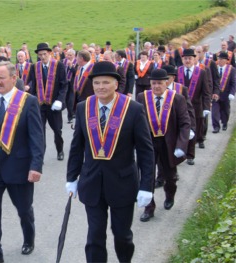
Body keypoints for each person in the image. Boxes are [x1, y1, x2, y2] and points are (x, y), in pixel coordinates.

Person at [66, 61, 154, 262]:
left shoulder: (133, 109)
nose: (100, 87)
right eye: (96, 83)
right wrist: (71, 177)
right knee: (95, 235)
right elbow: (77, 146)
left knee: (122, 235)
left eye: (106, 82)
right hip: (91, 183)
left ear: (116, 84)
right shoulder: (83, 108)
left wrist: (146, 186)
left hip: (122, 184)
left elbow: (145, 151)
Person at [0, 61, 44, 263]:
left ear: (14, 78)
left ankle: (28, 238)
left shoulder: (28, 101)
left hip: (20, 168)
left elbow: (37, 137)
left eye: (1, 78)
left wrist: (36, 166)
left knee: (24, 210)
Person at [136, 69, 190, 221]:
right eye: (153, 83)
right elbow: (136, 121)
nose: (156, 86)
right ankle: (149, 207)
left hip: (169, 144)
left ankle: (169, 196)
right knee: (147, 175)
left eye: (159, 83)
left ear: (167, 83)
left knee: (170, 176)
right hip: (148, 143)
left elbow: (185, 123)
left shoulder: (177, 98)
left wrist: (181, 145)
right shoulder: (142, 97)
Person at [27, 43, 67, 160]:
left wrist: (60, 100)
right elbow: (32, 85)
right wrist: (31, 99)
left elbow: (64, 85)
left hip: (54, 105)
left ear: (49, 53)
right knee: (40, 131)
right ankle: (40, 155)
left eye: (45, 54)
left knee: (57, 130)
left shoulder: (58, 65)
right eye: (40, 55)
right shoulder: (35, 67)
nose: (43, 57)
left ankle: (60, 150)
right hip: (40, 104)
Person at [176, 49, 212, 165]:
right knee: (180, 130)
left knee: (192, 130)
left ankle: (190, 155)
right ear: (182, 59)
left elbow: (206, 92)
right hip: (180, 107)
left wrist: (206, 107)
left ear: (194, 59)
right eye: (185, 58)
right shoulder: (177, 72)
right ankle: (179, 153)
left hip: (196, 107)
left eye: (190, 58)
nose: (187, 60)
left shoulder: (201, 72)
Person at [211, 52, 236, 133]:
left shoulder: (231, 69)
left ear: (226, 60)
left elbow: (233, 82)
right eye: (219, 59)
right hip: (216, 94)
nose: (220, 61)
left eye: (222, 59)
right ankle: (216, 127)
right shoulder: (214, 68)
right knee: (215, 111)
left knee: (225, 111)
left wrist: (232, 93)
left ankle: (224, 123)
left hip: (226, 95)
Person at [63, 49, 77, 123]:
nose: (68, 56)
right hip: (65, 82)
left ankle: (71, 115)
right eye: (68, 55)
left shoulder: (76, 62)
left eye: (70, 55)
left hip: (72, 83)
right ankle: (70, 114)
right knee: (66, 99)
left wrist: (71, 66)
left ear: (74, 56)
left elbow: (76, 73)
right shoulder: (63, 61)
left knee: (71, 100)